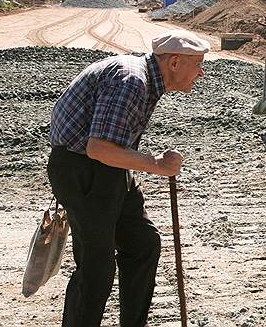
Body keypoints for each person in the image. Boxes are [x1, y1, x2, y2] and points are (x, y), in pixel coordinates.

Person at [47, 30, 209, 327]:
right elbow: (99, 147)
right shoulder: (132, 80)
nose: (201, 72)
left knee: (143, 244)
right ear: (174, 63)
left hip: (106, 168)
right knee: (97, 268)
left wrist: (145, 164)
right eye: (197, 63)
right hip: (82, 170)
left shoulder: (146, 79)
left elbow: (110, 147)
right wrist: (155, 164)